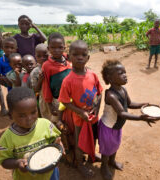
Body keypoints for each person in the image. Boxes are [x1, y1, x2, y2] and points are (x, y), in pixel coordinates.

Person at [99, 60, 157, 180]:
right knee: (106, 149)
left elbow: (130, 104)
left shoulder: (123, 89)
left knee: (115, 145)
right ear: (110, 78)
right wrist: (140, 118)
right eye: (121, 73)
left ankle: (112, 161)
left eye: (125, 72)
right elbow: (122, 113)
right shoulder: (111, 95)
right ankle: (104, 166)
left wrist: (143, 104)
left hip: (117, 126)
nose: (125, 75)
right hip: (108, 127)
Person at [0, 87, 62, 180]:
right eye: (22, 115)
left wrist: (57, 144)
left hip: (50, 174)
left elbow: (55, 140)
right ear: (10, 115)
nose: (29, 118)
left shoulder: (45, 124)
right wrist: (17, 163)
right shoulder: (7, 138)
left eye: (33, 112)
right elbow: (4, 161)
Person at [58, 40, 102, 178]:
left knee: (93, 137)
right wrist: (80, 112)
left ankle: (91, 154)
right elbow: (65, 102)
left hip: (93, 116)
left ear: (88, 57)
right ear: (69, 57)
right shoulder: (68, 80)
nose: (80, 57)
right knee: (79, 142)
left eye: (83, 54)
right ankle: (80, 164)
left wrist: (96, 107)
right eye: (75, 54)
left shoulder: (92, 75)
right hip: (79, 118)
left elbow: (100, 93)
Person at [41, 32, 71, 125]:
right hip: (57, 101)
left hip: (72, 99)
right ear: (48, 48)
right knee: (59, 123)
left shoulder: (69, 59)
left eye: (60, 47)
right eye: (53, 48)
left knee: (71, 121)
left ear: (64, 48)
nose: (56, 50)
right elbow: (46, 86)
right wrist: (50, 105)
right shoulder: (47, 66)